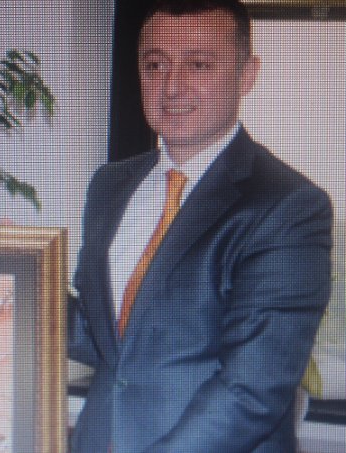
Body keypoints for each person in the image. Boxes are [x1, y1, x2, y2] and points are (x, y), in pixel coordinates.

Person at [68, 0, 332, 452]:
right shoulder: (110, 186)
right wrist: (13, 280)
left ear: (246, 75)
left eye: (199, 64)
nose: (172, 86)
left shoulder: (288, 205)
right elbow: (109, 343)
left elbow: (251, 390)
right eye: (155, 65)